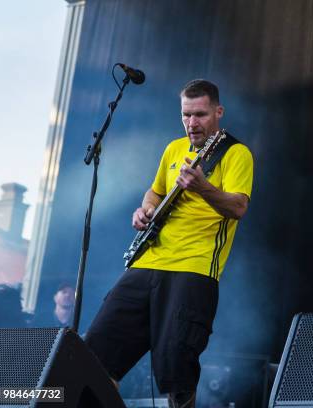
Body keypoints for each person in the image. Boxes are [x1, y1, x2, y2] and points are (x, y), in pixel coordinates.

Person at [85, 79, 253, 408]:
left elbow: (238, 207)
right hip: (146, 262)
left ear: (218, 112)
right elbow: (154, 192)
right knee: (94, 356)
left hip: (194, 267)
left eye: (201, 114)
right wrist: (144, 209)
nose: (192, 123)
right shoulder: (173, 149)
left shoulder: (235, 153)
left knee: (176, 368)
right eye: (186, 115)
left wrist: (203, 188)